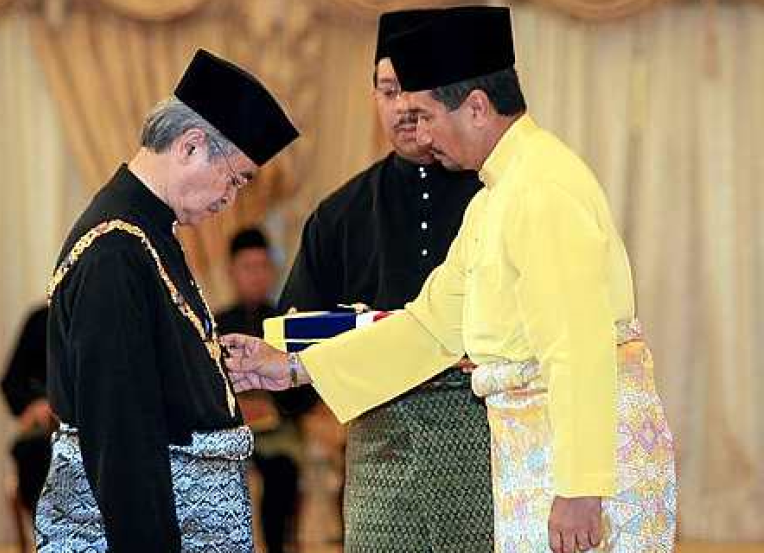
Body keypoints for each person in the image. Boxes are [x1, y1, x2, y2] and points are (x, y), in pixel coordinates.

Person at [222, 7, 676, 553]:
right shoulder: (494, 198)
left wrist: (580, 487)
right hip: (538, 454)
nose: (420, 133)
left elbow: (576, 342)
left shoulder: (540, 188)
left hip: (581, 466)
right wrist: (293, 366)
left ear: (477, 107)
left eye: (426, 115)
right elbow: (430, 328)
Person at [34, 49, 298, 553]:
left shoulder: (148, 231)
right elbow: (121, 432)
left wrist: (209, 367)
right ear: (191, 145)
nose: (231, 199)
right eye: (235, 178)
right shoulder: (115, 250)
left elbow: (152, 373)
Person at [276, 9, 491, 552]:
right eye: (389, 90)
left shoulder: (494, 199)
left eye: (416, 90)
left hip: (486, 440)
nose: (403, 107)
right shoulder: (341, 213)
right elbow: (296, 330)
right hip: (380, 447)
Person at [215, 228, 302, 553]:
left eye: (263, 266)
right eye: (248, 267)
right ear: (232, 271)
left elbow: (303, 388)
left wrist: (274, 406)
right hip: (228, 428)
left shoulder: (282, 324)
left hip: (277, 431)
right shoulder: (215, 323)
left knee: (283, 471)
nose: (256, 276)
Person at [0, 304, 54, 515]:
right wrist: (35, 405)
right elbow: (11, 382)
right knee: (32, 452)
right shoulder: (41, 319)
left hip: (101, 433)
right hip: (49, 431)